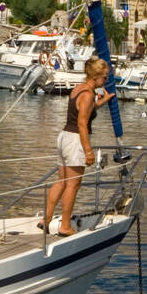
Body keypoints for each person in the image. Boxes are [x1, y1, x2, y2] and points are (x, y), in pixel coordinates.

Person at [40, 57, 114, 236]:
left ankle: (46, 219)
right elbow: (82, 123)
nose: (106, 81)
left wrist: (102, 101)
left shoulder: (79, 89)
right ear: (95, 76)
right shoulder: (88, 94)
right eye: (105, 77)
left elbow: (85, 109)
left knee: (62, 182)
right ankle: (65, 226)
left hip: (64, 137)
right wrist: (88, 151)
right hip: (75, 140)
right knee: (73, 184)